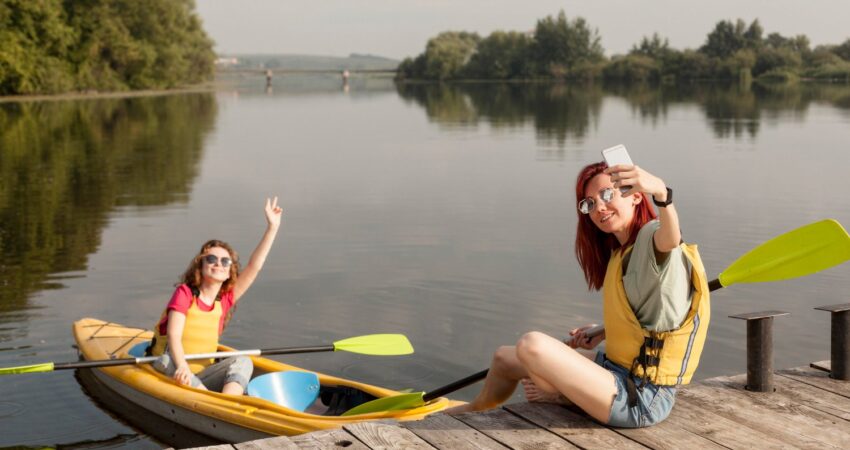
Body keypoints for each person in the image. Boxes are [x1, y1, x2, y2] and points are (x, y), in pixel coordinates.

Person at [446, 162, 710, 428]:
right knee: (504, 358)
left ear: (636, 195)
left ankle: (559, 396)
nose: (599, 209)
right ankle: (474, 409)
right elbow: (650, 319)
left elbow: (670, 239)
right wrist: (604, 332)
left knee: (532, 345)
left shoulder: (652, 236)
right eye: (590, 204)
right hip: (616, 369)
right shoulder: (622, 251)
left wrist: (663, 196)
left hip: (640, 397)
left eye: (607, 195)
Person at [149, 197, 283, 395]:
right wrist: (183, 367)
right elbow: (174, 336)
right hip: (174, 367)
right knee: (167, 360)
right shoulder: (184, 293)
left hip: (202, 376)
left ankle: (228, 402)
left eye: (225, 261)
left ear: (230, 271)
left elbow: (255, 265)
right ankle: (211, 401)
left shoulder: (226, 299)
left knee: (243, 360)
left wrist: (272, 227)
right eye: (211, 259)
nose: (218, 263)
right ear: (201, 266)